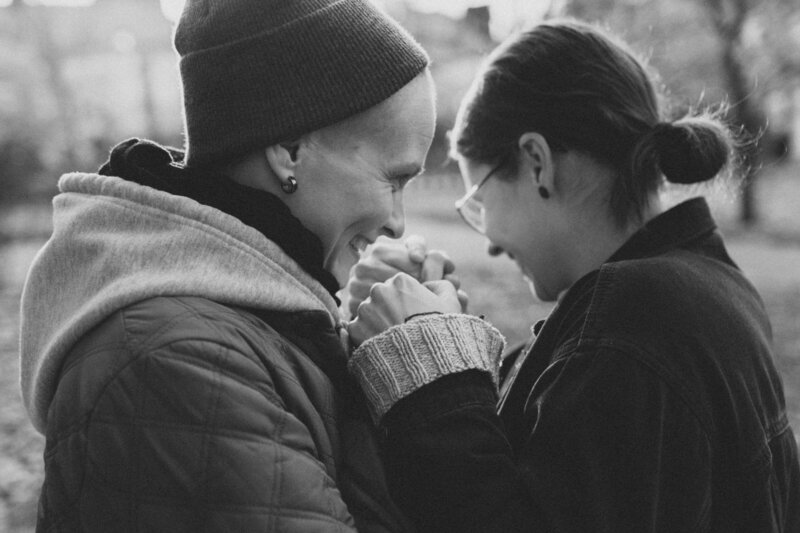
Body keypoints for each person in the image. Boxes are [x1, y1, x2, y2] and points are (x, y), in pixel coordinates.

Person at [346, 19, 800, 532]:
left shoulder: (631, 319)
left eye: (479, 201)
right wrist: (444, 335)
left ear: (537, 162)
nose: (490, 243)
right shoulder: (710, 287)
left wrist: (423, 361)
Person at [18, 0, 445, 530]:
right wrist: (439, 398)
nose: (398, 223)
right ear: (289, 151)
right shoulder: (178, 360)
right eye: (394, 179)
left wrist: (390, 362)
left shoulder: (240, 325)